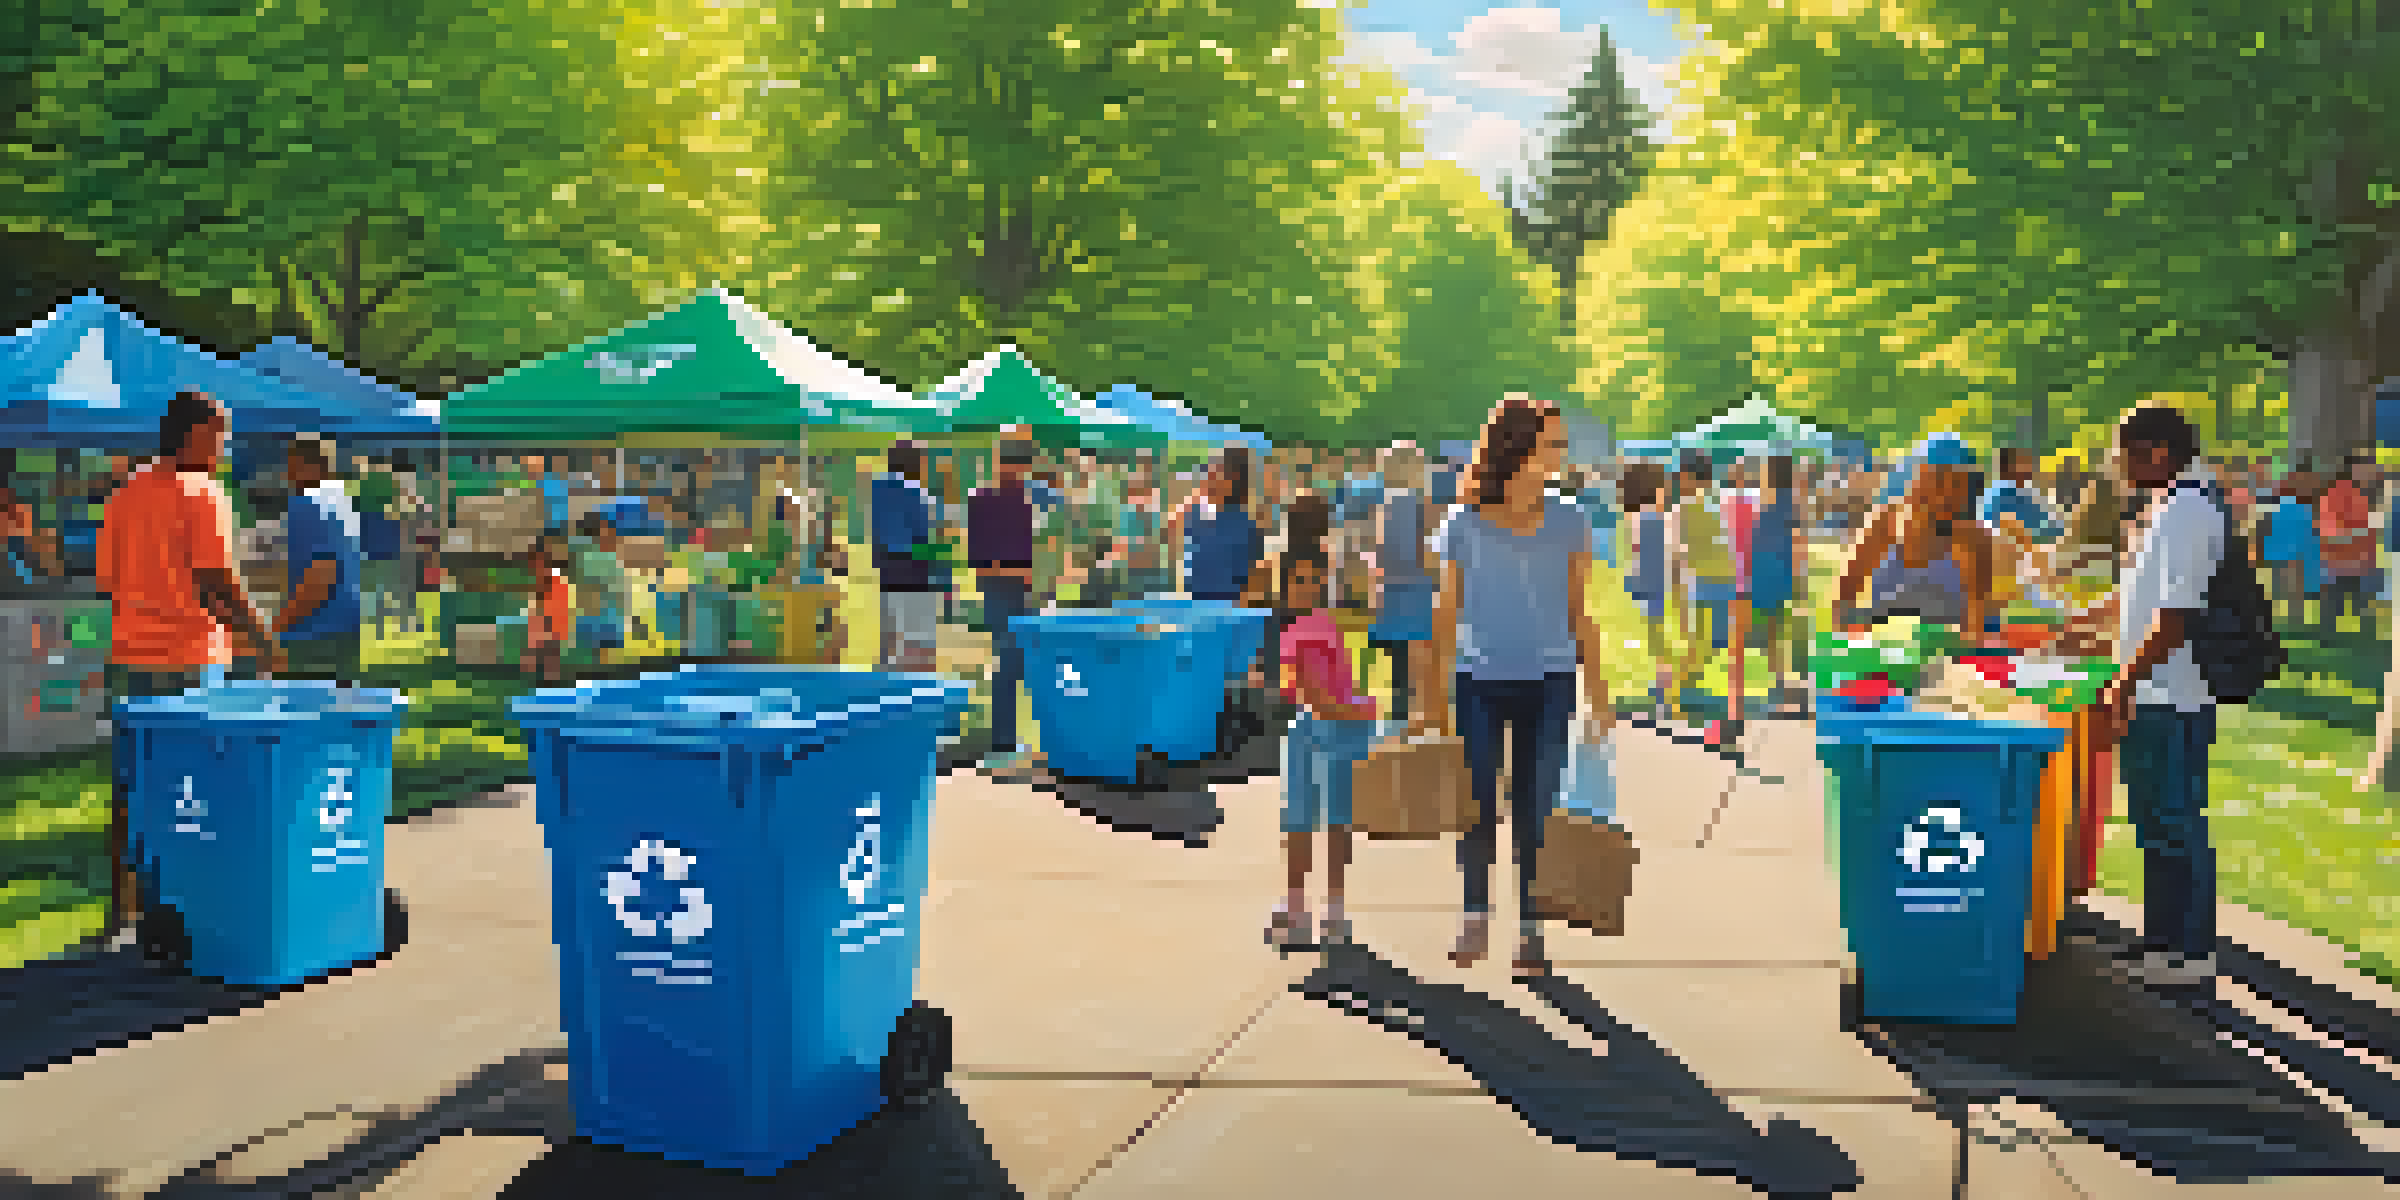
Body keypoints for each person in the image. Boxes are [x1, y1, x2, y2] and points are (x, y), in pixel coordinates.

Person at [1421, 395, 1611, 979]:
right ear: (1519, 449)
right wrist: (1429, 702)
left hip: (1551, 681)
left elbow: (1581, 610)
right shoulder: (1463, 523)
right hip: (1478, 679)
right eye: (1552, 444)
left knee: (1537, 806)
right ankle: (1475, 913)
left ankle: (1531, 928)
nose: (1560, 456)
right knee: (1476, 803)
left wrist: (1598, 688)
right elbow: (1445, 614)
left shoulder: (1570, 519)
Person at [95, 390, 283, 950]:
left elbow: (107, 578)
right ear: (194, 434)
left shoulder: (126, 493)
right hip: (189, 656)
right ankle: (192, 912)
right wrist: (261, 635)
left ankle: (124, 910)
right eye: (220, 436)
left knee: (132, 786)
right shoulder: (203, 493)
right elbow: (215, 582)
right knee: (197, 789)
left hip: (130, 654)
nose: (225, 448)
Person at [2079, 408, 2227, 987]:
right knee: (2154, 821)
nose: (2116, 465)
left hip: (2174, 693)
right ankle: (2163, 946)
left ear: (2159, 452)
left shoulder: (2189, 510)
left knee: (2175, 819)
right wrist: (2084, 621)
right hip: (2153, 689)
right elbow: (2140, 592)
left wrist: (2124, 681)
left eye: (2124, 453)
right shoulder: (2167, 506)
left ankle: (2191, 953)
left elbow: (2174, 616)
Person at [1266, 497, 1384, 951]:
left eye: (1317, 579)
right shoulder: (1307, 631)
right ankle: (1315, 909)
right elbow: (1322, 701)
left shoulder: (1315, 624)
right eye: (1302, 581)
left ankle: (1313, 907)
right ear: (1286, 584)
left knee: (1319, 821)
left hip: (1320, 731)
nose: (1311, 585)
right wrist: (1367, 708)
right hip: (1326, 731)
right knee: (1315, 821)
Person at [1834, 434, 1999, 640]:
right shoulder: (1885, 523)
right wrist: (1843, 639)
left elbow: (1977, 623)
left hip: (1951, 649)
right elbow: (1847, 589)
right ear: (1917, 478)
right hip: (1884, 646)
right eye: (1940, 481)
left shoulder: (1974, 539)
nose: (1949, 494)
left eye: (1958, 485)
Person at [269, 435, 366, 684]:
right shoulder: (343, 500)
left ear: (311, 466)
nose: (286, 473)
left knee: (302, 716)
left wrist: (274, 629)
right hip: (348, 631)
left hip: (311, 635)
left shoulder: (306, 503)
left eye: (291, 464)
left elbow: (321, 575)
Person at [970, 443, 1040, 771]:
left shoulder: (1029, 500)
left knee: (1028, 664)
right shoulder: (982, 500)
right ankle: (1001, 743)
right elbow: (979, 562)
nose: (1017, 470)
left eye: (1022, 462)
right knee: (1008, 663)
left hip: (1028, 590)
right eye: (1011, 461)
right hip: (1002, 591)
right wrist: (1016, 572)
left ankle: (1023, 738)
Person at [1363, 444, 1436, 724]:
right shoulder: (1421, 508)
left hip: (1389, 597)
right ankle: (1412, 731)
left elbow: (1376, 554)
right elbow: (1426, 555)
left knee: (1398, 676)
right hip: (1414, 598)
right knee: (1417, 675)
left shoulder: (1382, 508)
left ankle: (1398, 725)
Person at [1670, 453, 1738, 732]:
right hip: (1708, 580)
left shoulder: (1703, 504)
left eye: (1681, 475)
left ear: (1689, 477)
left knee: (1714, 640)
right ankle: (1681, 690)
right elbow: (1683, 549)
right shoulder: (1696, 506)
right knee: (1707, 640)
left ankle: (1684, 686)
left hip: (1717, 580)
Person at [872, 441, 946, 672]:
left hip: (886, 565)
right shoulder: (916, 491)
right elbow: (924, 534)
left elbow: (876, 529)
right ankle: (918, 688)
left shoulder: (877, 488)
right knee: (918, 638)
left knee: (890, 633)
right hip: (914, 566)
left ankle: (885, 680)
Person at [1745, 456, 1805, 716]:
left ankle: (1778, 683)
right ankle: (1778, 681)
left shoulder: (1771, 502)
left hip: (1767, 571)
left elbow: (1794, 541)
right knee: (1772, 630)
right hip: (1774, 571)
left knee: (1770, 630)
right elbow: (1796, 542)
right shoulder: (1786, 503)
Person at [1619, 461, 1678, 719]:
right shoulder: (1658, 517)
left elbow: (1631, 554)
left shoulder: (1634, 517)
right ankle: (1662, 697)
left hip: (1644, 584)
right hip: (1657, 585)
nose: (1667, 488)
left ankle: (1660, 695)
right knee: (1659, 644)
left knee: (1656, 643)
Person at [2318, 455, 2377, 638]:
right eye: (2367, 469)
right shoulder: (2339, 494)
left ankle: (2358, 635)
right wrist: (2360, 534)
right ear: (2354, 470)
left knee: (2353, 601)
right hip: (2342, 559)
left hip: (2354, 559)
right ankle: (2330, 635)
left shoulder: (2357, 493)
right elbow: (2331, 529)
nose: (2372, 474)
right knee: (2338, 601)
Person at [2260, 468, 2321, 631]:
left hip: (2287, 556)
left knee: (2290, 592)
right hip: (2290, 556)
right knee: (2292, 593)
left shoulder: (2289, 508)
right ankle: (2293, 622)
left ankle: (2292, 622)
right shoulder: (2296, 509)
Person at [525, 533, 572, 685]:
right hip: (546, 634)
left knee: (550, 670)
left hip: (553, 634)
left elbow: (557, 612)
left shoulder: (557, 581)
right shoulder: (541, 581)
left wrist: (547, 633)